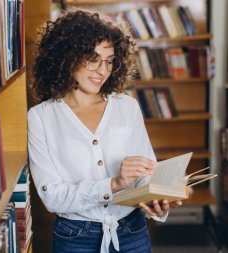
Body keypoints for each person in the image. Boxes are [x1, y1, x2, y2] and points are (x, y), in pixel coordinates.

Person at [27, 10, 182, 253]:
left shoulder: (127, 106)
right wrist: (114, 184)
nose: (102, 70)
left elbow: (146, 171)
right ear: (66, 56)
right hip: (74, 239)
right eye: (93, 58)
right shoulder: (41, 118)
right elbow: (52, 197)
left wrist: (156, 199)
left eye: (109, 61)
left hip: (132, 232)